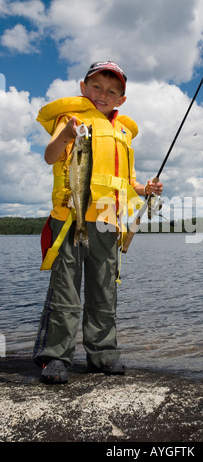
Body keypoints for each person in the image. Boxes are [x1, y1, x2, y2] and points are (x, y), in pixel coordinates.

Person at [33, 61, 163, 384]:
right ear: (82, 88)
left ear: (121, 100)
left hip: (107, 223)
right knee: (66, 291)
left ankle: (102, 353)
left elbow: (127, 181)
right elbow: (50, 156)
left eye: (111, 91)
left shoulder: (122, 134)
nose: (102, 95)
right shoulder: (72, 121)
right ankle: (56, 357)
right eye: (96, 87)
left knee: (104, 292)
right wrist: (65, 135)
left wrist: (145, 189)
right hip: (70, 219)